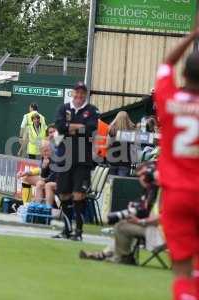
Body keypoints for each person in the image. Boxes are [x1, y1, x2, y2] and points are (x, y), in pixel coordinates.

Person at [154, 18, 199, 300]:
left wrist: (192, 35)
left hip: (177, 195)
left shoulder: (168, 98)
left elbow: (165, 65)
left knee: (182, 271)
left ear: (185, 73)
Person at [79, 162, 160, 265]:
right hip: (155, 228)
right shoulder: (151, 190)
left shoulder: (160, 191)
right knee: (124, 223)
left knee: (122, 226)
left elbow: (160, 217)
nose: (141, 179)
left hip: (161, 233)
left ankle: (122, 257)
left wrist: (140, 221)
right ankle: (105, 254)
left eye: (142, 176)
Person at [53, 81, 100, 241]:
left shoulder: (92, 110)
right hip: (65, 157)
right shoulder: (64, 108)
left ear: (85, 94)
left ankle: (78, 232)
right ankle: (66, 229)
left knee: (79, 195)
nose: (79, 96)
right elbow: (59, 127)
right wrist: (77, 127)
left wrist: (70, 128)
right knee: (64, 194)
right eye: (77, 93)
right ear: (73, 93)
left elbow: (90, 129)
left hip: (82, 158)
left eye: (82, 93)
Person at [18, 140, 57, 206]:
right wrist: (26, 172)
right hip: (47, 179)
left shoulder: (55, 157)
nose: (45, 153)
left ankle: (40, 207)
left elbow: (54, 175)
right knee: (25, 178)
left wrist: (44, 179)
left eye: (47, 150)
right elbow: (40, 171)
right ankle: (26, 205)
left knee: (40, 183)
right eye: (43, 151)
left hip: (55, 180)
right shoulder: (44, 157)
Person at [106, 111, 136, 176]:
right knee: (121, 183)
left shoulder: (112, 130)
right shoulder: (131, 130)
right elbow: (134, 147)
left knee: (111, 184)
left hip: (112, 161)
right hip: (125, 163)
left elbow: (107, 145)